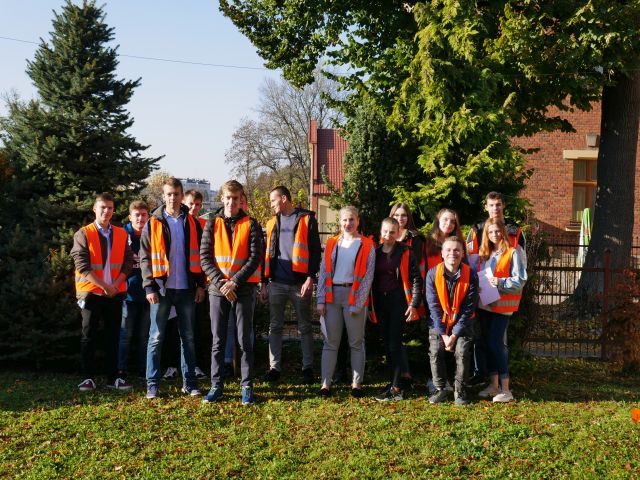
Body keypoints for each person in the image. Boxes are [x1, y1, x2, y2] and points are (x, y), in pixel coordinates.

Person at [140, 177, 206, 399]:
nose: (172, 198)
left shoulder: (192, 222)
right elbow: (145, 258)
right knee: (156, 337)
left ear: (181, 195)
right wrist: (149, 287)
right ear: (163, 196)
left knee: (187, 336)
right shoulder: (153, 222)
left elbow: (200, 256)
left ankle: (190, 383)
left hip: (186, 288)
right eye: (168, 194)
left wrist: (200, 285)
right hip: (161, 289)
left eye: (176, 194)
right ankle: (152, 384)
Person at [200, 180, 262, 405]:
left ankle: (247, 386)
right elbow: (204, 257)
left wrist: (234, 282)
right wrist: (221, 283)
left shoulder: (251, 224)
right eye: (228, 198)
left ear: (241, 200)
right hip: (218, 291)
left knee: (245, 340)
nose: (231, 202)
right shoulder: (212, 223)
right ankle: (216, 385)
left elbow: (255, 257)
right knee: (218, 340)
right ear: (222, 198)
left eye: (235, 199)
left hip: (243, 290)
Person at [71, 193, 134, 392]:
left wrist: (116, 285)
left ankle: (113, 377)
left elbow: (128, 262)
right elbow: (82, 265)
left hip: (114, 293)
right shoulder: (84, 233)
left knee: (113, 336)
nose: (106, 211)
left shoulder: (122, 234)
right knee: (88, 335)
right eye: (102, 207)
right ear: (94, 209)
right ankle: (87, 378)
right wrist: (105, 286)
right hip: (91, 294)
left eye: (110, 208)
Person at [261, 186, 321, 384]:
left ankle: (307, 368)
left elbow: (314, 252)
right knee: (275, 327)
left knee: (304, 327)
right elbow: (266, 254)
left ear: (284, 198)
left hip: (298, 284)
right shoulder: (271, 223)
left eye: (273, 200)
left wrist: (310, 278)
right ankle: (274, 368)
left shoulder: (306, 219)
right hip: (276, 283)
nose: (271, 205)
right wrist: (264, 282)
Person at [466, 192, 526, 387]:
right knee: (482, 340)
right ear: (486, 207)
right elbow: (471, 261)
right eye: (491, 205)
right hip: (483, 299)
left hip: (504, 300)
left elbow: (521, 267)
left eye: (498, 204)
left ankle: (503, 384)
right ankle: (485, 379)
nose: (495, 208)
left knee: (498, 343)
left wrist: (503, 283)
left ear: (503, 206)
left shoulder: (515, 231)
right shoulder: (476, 230)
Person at [317, 206, 376, 398]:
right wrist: (321, 299)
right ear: (339, 222)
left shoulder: (367, 244)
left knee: (356, 343)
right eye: (344, 220)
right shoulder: (332, 243)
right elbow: (323, 272)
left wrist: (358, 303)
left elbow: (368, 277)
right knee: (330, 343)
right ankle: (325, 384)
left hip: (355, 297)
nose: (347, 223)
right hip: (332, 296)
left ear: (358, 221)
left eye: (351, 220)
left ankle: (356, 384)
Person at [473, 218, 527, 403]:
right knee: (488, 344)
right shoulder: (484, 254)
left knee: (496, 344)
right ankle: (494, 385)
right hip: (485, 305)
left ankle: (506, 389)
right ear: (486, 235)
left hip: (502, 308)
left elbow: (520, 280)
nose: (494, 235)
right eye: (490, 232)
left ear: (503, 232)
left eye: (497, 231)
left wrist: (500, 282)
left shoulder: (513, 253)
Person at [370, 218, 422, 402]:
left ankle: (397, 388)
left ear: (398, 232)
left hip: (398, 301)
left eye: (392, 232)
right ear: (381, 232)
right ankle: (393, 381)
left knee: (395, 343)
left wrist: (414, 304)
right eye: (385, 231)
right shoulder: (375, 253)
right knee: (387, 343)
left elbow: (416, 278)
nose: (388, 235)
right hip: (380, 302)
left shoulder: (405, 252)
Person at [425, 236, 478, 405]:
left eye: (456, 250)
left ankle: (460, 391)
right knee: (435, 351)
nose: (452, 253)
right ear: (442, 253)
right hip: (438, 322)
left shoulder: (471, 275)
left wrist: (454, 335)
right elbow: (433, 307)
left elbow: (469, 308)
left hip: (463, 323)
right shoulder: (432, 274)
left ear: (462, 253)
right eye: (448, 250)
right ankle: (440, 388)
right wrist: (443, 334)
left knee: (462, 352)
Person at [389, 202, 427, 391]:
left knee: (398, 335)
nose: (400, 219)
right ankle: (400, 373)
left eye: (403, 215)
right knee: (393, 335)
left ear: (409, 217)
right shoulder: (386, 235)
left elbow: (418, 268)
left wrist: (415, 298)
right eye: (396, 215)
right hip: (388, 292)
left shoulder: (416, 238)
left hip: (407, 292)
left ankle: (405, 375)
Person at [117, 200, 151, 379]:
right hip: (127, 294)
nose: (140, 218)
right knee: (126, 334)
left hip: (148, 294)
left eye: (143, 215)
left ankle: (143, 369)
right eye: (136, 215)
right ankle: (121, 369)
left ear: (148, 216)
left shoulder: (152, 235)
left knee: (144, 336)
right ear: (130, 217)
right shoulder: (123, 235)